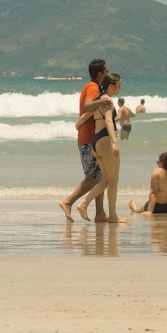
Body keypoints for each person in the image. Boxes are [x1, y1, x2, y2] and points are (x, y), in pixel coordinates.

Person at [58, 59, 111, 223]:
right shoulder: (92, 87)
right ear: (100, 74)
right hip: (88, 139)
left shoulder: (94, 87)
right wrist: (101, 101)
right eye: (106, 71)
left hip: (91, 137)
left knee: (100, 176)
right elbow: (88, 106)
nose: (108, 73)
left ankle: (100, 213)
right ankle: (68, 202)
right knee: (94, 178)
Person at [76, 73, 126, 224]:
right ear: (111, 86)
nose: (120, 88)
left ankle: (84, 204)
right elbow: (109, 122)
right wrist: (115, 142)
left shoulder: (99, 100)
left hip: (96, 142)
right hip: (105, 140)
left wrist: (78, 125)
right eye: (119, 85)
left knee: (106, 180)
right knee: (114, 180)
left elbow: (85, 117)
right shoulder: (108, 101)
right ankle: (112, 215)